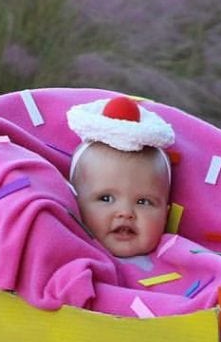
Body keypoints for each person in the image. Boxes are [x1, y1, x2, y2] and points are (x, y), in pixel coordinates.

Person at [66, 95, 175, 258]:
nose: (125, 212)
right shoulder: (65, 258)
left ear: (166, 215)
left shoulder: (180, 258)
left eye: (143, 202)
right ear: (73, 203)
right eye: (106, 198)